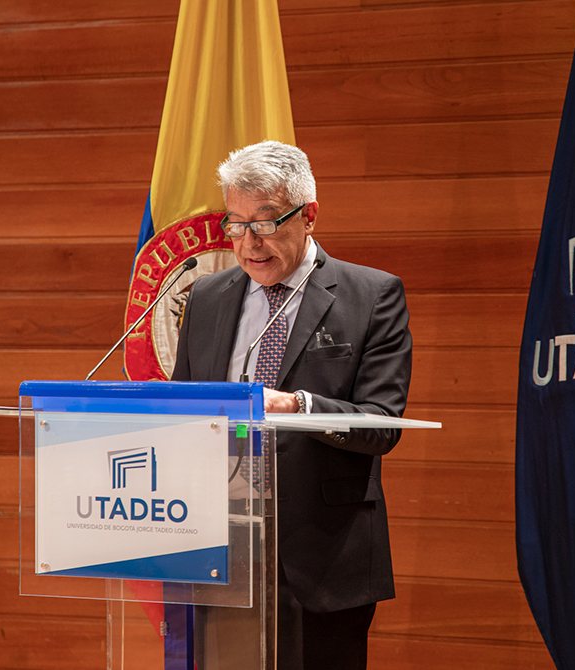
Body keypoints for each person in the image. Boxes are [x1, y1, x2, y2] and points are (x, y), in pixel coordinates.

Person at [171, 140, 412, 670]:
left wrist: (297, 405)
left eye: (265, 222)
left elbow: (382, 426)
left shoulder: (371, 296)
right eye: (235, 224)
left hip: (321, 555)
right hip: (218, 547)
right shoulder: (207, 297)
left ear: (309, 216)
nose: (248, 242)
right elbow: (181, 410)